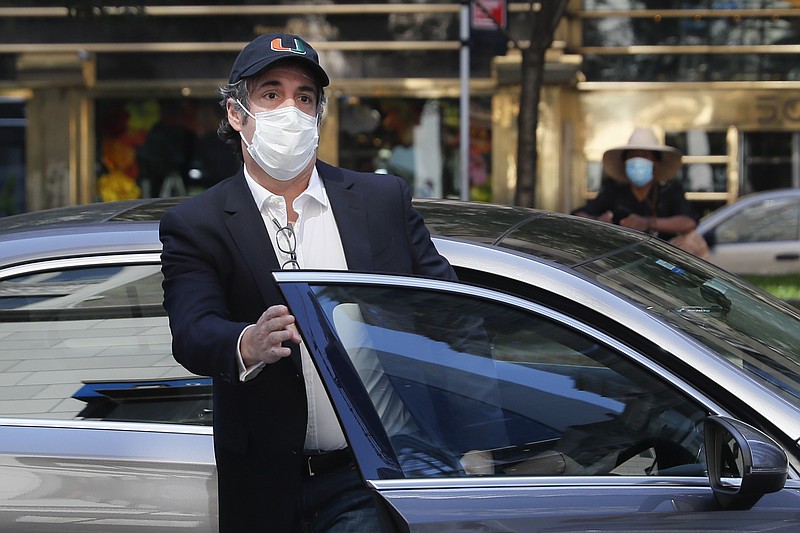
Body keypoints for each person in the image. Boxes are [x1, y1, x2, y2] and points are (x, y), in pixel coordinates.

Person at [159, 33, 456, 532]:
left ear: (319, 114)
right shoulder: (198, 222)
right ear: (237, 113)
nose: (290, 111)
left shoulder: (381, 200)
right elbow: (192, 329)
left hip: (366, 476)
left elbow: (446, 309)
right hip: (263, 479)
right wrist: (247, 343)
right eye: (270, 94)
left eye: (304, 98)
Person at [573, 127, 699, 242]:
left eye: (644, 156)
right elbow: (579, 215)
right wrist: (598, 221)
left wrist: (648, 223)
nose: (638, 161)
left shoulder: (669, 192)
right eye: (632, 156)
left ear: (656, 162)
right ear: (625, 162)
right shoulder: (614, 191)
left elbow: (688, 223)